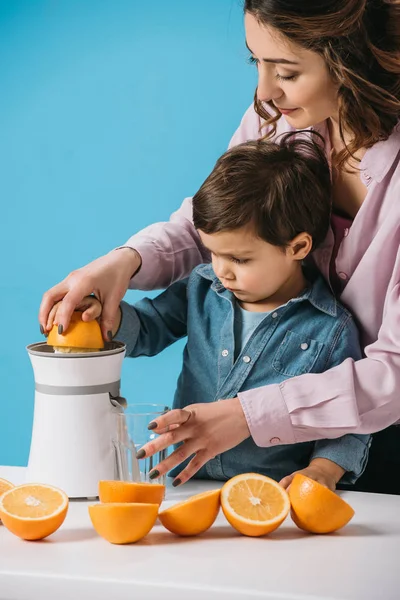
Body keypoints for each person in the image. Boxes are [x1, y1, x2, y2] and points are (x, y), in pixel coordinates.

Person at [39, 0, 400, 494]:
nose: (264, 93)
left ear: (350, 60)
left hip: (370, 442)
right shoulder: (280, 118)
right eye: (257, 62)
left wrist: (250, 416)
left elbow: (393, 372)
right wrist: (122, 263)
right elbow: (215, 223)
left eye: (287, 71)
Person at [48, 135, 370, 489]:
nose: (222, 270)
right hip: (187, 485)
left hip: (269, 497)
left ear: (298, 247)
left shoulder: (331, 329)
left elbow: (349, 418)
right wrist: (102, 317)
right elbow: (149, 327)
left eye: (239, 259)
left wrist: (324, 470)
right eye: (212, 252)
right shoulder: (201, 287)